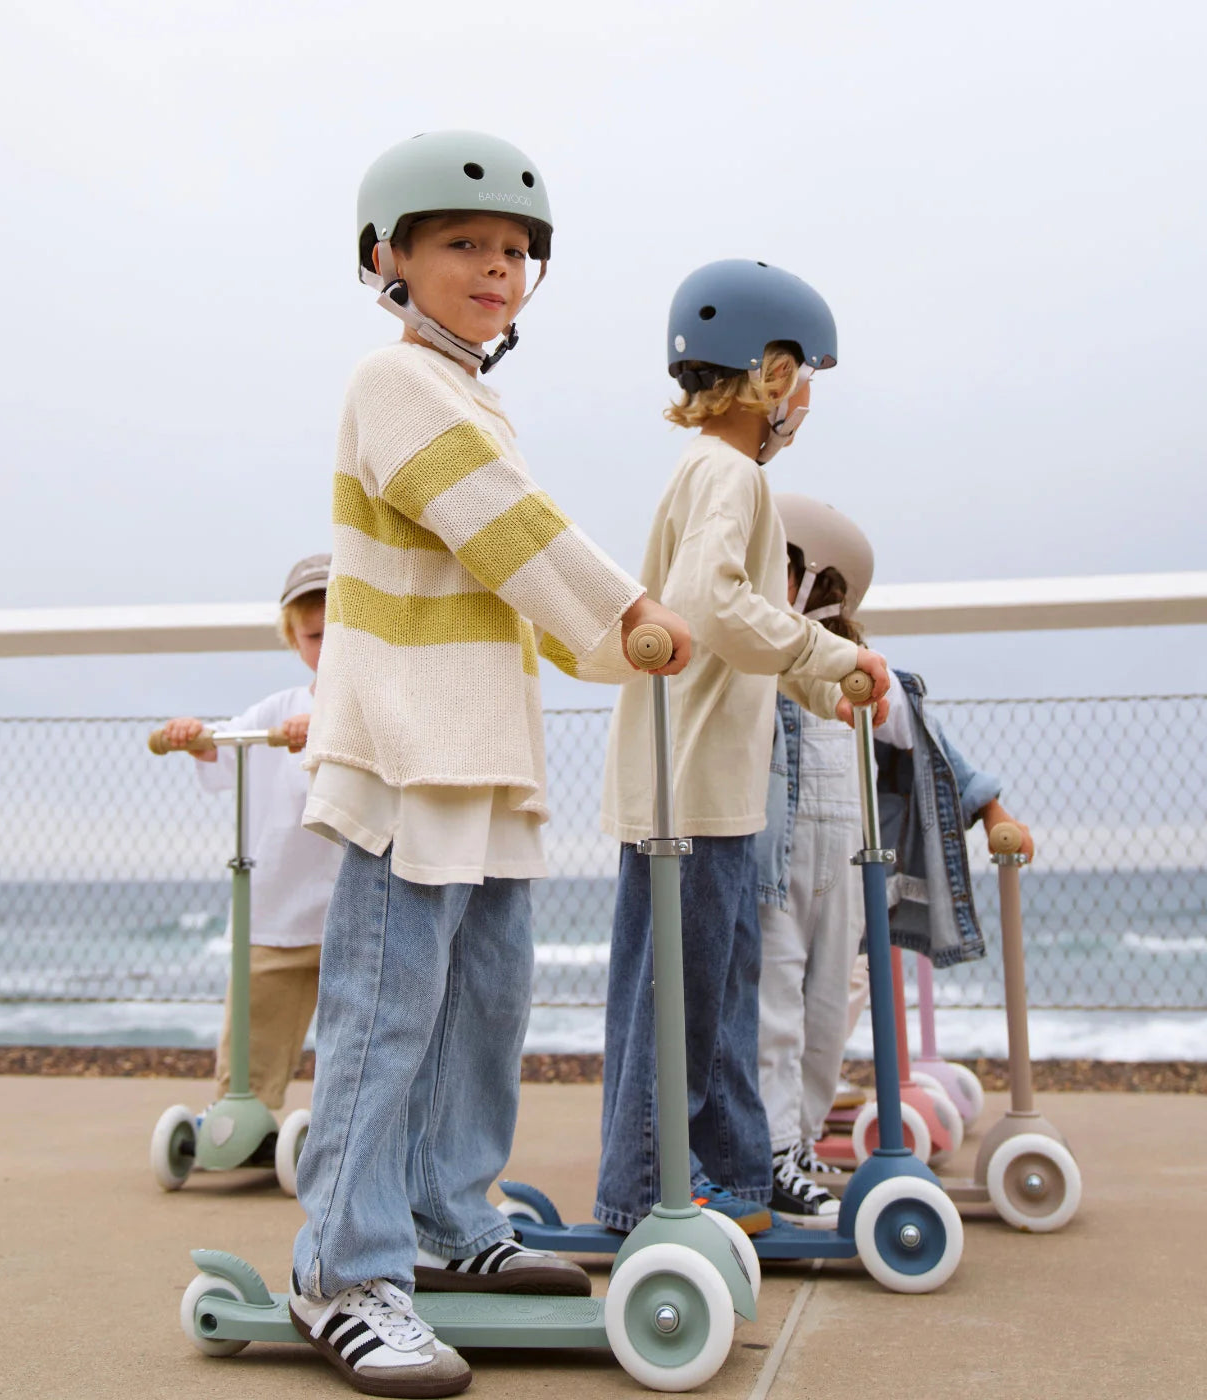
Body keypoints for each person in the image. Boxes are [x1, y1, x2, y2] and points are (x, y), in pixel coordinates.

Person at [287, 130, 691, 1398]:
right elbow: (511, 530)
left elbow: (515, 575)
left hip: (485, 753)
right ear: (387, 258)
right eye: (462, 242)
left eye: (515, 250)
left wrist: (610, 640)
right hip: (408, 746)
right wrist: (627, 615)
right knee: (384, 1012)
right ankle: (343, 1271)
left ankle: (450, 1218)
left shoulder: (475, 393)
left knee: (482, 1011)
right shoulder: (394, 380)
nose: (496, 265)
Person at [596, 259, 891, 1239]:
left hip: (710, 786)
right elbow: (714, 604)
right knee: (675, 1003)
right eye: (804, 375)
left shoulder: (720, 477)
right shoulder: (727, 474)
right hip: (689, 793)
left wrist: (820, 677)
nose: (806, 400)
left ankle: (728, 1180)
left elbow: (738, 621)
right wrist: (827, 649)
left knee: (715, 994)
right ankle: (642, 1197)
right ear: (769, 372)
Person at [756, 494, 1033, 1217]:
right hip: (775, 860)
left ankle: (802, 1140)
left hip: (848, 863)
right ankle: (774, 1149)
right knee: (774, 1007)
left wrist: (991, 806)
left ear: (815, 581)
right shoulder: (758, 664)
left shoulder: (865, 673)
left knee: (824, 1015)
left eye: (780, 567)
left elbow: (935, 753)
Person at [160, 554, 340, 1112]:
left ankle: (359, 1135)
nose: (328, 647)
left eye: (343, 634)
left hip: (356, 909)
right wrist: (194, 737)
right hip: (279, 909)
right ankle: (245, 1121)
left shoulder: (377, 709)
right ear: (295, 641)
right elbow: (223, 750)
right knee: (253, 1036)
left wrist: (329, 730)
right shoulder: (277, 709)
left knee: (366, 1040)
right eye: (315, 636)